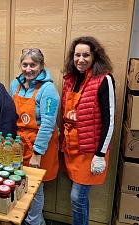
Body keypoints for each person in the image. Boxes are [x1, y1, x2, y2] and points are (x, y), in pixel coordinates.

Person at [61, 36, 115, 225]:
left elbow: (110, 120)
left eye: (86, 55)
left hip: (90, 152)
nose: (81, 59)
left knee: (78, 198)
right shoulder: (70, 79)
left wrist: (100, 154)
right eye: (77, 55)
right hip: (71, 149)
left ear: (95, 57)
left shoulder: (104, 80)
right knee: (78, 199)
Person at [10, 48, 60, 225]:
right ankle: (20, 217)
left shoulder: (49, 90)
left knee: (35, 186)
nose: (28, 69)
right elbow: (10, 115)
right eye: (25, 64)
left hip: (40, 144)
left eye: (33, 64)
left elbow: (48, 123)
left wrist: (37, 153)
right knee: (18, 182)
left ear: (41, 66)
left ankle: (35, 221)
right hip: (19, 143)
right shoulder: (14, 85)